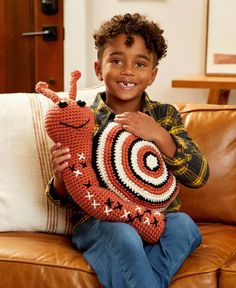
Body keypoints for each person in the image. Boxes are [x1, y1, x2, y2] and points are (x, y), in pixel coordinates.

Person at [46, 13, 209, 288]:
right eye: (117, 60)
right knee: (124, 236)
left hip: (159, 219)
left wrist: (159, 135)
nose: (128, 71)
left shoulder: (164, 116)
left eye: (140, 63)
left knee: (184, 226)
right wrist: (62, 179)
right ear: (99, 68)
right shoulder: (81, 119)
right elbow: (63, 197)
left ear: (152, 74)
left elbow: (199, 175)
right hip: (103, 221)